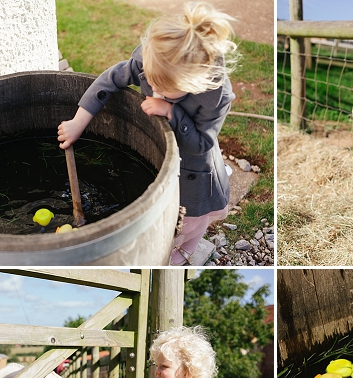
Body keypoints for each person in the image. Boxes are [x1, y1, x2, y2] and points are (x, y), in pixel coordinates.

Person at [57, 2, 237, 265]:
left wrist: (171, 112)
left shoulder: (215, 98)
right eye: (150, 80)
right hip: (166, 159)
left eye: (163, 87)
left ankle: (187, 247)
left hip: (195, 171)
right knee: (164, 210)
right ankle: (178, 244)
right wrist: (78, 122)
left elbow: (202, 143)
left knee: (191, 221)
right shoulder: (153, 62)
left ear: (192, 84)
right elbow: (109, 81)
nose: (152, 89)